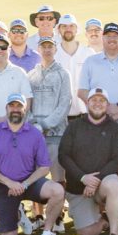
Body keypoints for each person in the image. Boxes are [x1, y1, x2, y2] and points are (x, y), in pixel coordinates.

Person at [0, 93, 65, 235]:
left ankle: (46, 232)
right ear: (6, 109)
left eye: (19, 106)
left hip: (29, 183)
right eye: (12, 105)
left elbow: (44, 166)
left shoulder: (35, 133)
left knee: (57, 190)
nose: (15, 109)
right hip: (4, 185)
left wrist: (24, 184)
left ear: (25, 110)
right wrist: (9, 183)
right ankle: (17, 214)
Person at [58, 89, 118, 235]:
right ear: (87, 103)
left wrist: (95, 180)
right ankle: (104, 222)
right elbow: (63, 156)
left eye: (102, 100)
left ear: (107, 105)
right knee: (87, 234)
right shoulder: (74, 126)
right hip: (78, 188)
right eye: (94, 100)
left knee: (114, 183)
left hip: (101, 185)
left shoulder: (115, 129)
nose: (97, 104)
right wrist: (83, 178)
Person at [27, 36, 73, 165]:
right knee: (34, 174)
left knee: (57, 175)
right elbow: (26, 105)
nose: (47, 50)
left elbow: (65, 103)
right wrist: (34, 124)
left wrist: (45, 125)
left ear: (55, 49)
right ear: (38, 49)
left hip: (56, 133)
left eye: (50, 47)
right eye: (43, 47)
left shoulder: (63, 74)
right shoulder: (31, 75)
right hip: (34, 132)